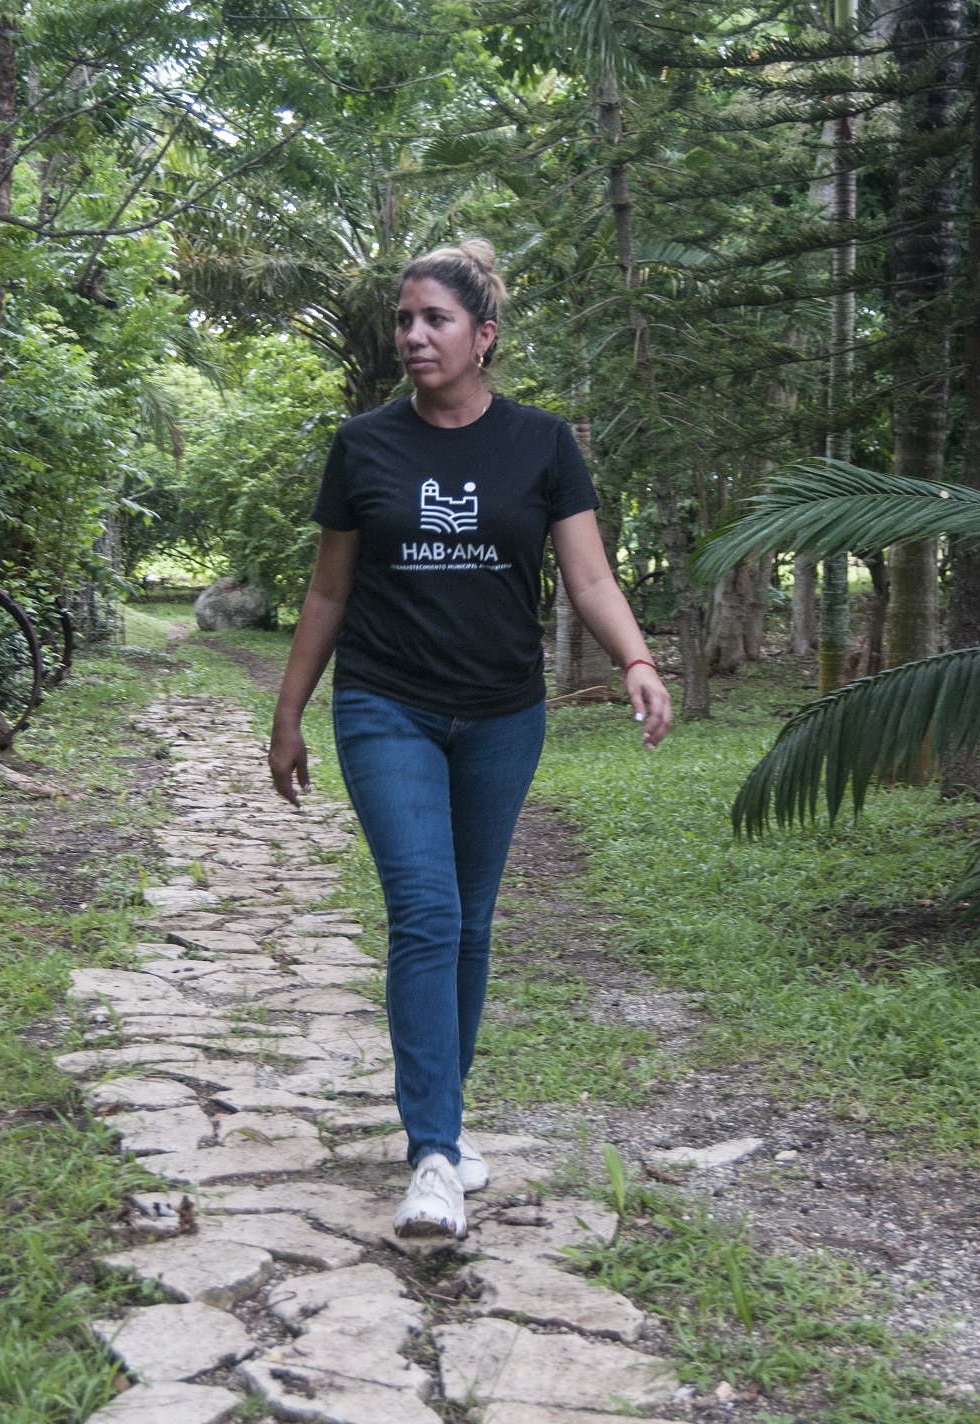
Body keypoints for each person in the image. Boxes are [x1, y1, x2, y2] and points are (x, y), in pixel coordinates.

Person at [266, 239, 673, 1238]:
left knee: (473, 918)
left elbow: (587, 577)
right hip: (384, 704)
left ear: (482, 334)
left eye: (433, 319)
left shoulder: (538, 444)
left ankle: (443, 1112)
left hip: (499, 711)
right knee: (424, 909)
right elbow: (327, 588)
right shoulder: (363, 445)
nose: (411, 335)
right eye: (402, 319)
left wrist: (634, 657)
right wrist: (286, 713)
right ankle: (433, 1154)